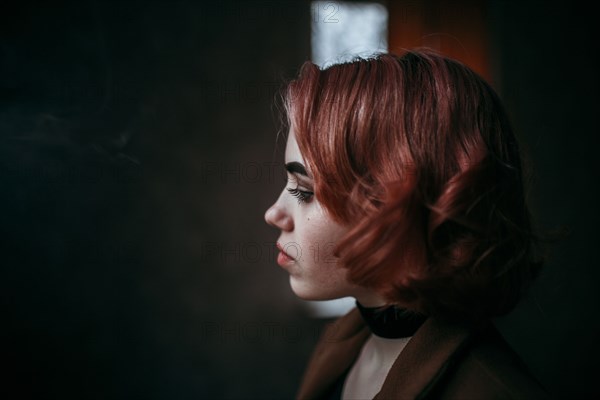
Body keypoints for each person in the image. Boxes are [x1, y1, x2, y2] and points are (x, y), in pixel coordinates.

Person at [264, 48, 549, 399]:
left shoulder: (491, 390)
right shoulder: (342, 344)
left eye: (304, 191)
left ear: (401, 206)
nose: (273, 213)